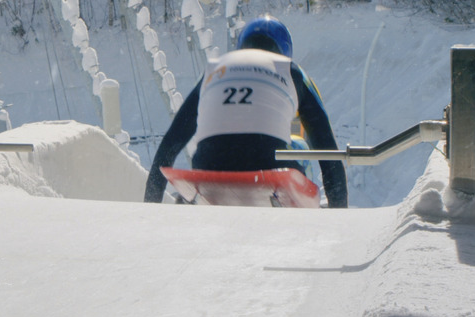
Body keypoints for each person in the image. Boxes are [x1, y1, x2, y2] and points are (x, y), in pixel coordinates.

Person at [144, 15, 348, 208]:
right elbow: (327, 148)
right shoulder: (291, 71)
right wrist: (340, 210)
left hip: (209, 162)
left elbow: (171, 142)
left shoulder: (214, 69)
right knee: (300, 145)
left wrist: (150, 205)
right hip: (268, 162)